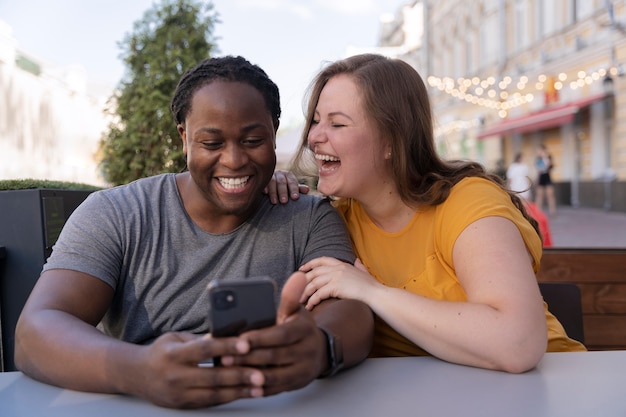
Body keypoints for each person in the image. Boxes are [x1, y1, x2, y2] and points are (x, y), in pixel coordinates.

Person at [14, 56, 373, 409]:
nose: (233, 160)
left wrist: (319, 347)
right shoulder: (116, 212)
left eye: (252, 140)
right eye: (212, 143)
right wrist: (136, 370)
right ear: (184, 137)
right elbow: (36, 332)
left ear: (274, 135)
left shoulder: (309, 216)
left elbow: (350, 312)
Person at [281, 53, 585, 374]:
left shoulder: (466, 201)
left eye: (337, 123)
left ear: (391, 141)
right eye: (315, 120)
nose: (314, 137)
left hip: (550, 385)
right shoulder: (333, 220)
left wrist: (372, 292)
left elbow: (518, 344)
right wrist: (269, 181)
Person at [506, 152, 553, 247]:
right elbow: (511, 178)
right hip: (517, 185)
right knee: (521, 203)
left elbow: (527, 177)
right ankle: (523, 215)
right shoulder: (514, 166)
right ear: (519, 158)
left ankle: (524, 215)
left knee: (523, 202)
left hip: (523, 186)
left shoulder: (523, 166)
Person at [534, 144, 557, 216]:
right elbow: (538, 169)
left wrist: (545, 157)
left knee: (550, 195)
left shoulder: (548, 157)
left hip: (547, 176)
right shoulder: (538, 159)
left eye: (540, 150)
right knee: (539, 195)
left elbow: (551, 167)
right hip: (541, 176)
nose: (538, 152)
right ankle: (538, 211)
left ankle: (553, 211)